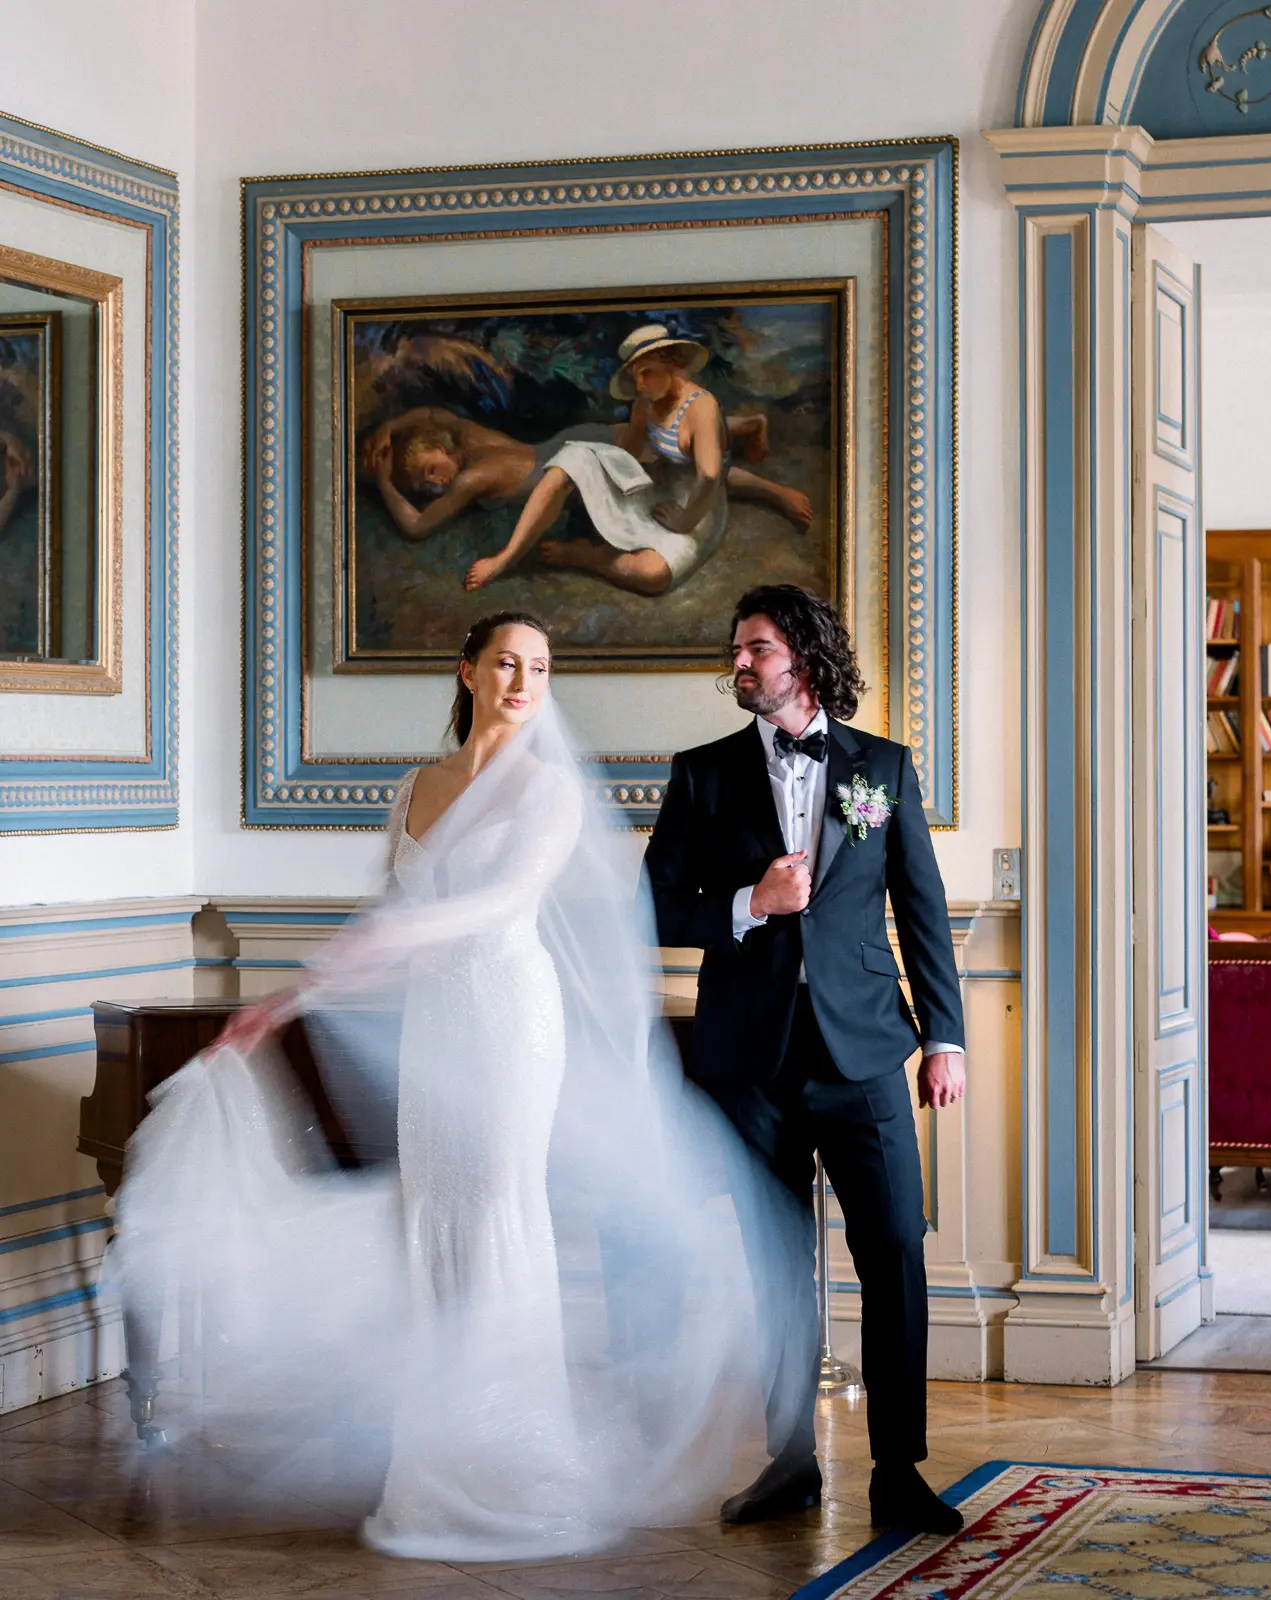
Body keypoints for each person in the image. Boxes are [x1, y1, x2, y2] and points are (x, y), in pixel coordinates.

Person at [108, 612, 803, 1561]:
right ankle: (434, 1468)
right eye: (508, 664)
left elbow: (496, 904)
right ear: (468, 670)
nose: (524, 682)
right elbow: (388, 908)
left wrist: (378, 945)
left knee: (496, 1217)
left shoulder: (549, 790)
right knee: (433, 1222)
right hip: (437, 1024)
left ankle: (517, 1467)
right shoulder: (417, 786)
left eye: (541, 669)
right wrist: (286, 1001)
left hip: (510, 1022)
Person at [642, 583, 968, 1537]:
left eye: (756, 650)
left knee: (895, 1257)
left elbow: (923, 914)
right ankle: (789, 1463)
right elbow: (653, 910)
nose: (739, 665)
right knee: (773, 1270)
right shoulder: (701, 775)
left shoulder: (884, 769)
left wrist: (943, 1039)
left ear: (806, 661)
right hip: (750, 1062)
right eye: (737, 651)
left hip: (865, 1054)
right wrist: (750, 902)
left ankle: (899, 1472)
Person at [364, 396, 811, 553]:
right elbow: (428, 413)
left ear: (440, 448)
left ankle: (773, 490)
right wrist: (392, 439)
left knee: (675, 465)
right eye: (426, 487)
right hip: (574, 444)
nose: (435, 485)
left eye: (429, 471)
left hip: (582, 456)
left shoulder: (470, 476)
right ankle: (747, 424)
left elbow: (418, 526)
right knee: (671, 449)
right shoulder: (466, 438)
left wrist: (385, 454)